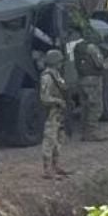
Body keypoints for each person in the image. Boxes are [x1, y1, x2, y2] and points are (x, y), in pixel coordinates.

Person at [38, 50, 71, 179]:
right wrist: (58, 101)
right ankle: (47, 169)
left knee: (58, 140)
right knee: (49, 140)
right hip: (51, 113)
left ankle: (55, 165)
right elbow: (44, 97)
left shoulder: (56, 74)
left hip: (59, 113)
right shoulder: (47, 77)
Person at [74, 35, 108, 142]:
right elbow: (100, 64)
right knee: (96, 106)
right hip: (93, 80)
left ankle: (84, 131)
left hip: (81, 79)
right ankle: (91, 133)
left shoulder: (78, 48)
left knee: (85, 106)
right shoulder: (92, 48)